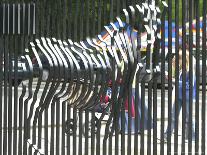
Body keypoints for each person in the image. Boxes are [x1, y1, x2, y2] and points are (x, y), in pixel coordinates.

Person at [164, 46, 196, 141]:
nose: (177, 62)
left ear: (184, 60)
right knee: (173, 116)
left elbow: (188, 85)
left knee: (187, 118)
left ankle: (191, 136)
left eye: (178, 60)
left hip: (187, 97)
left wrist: (174, 80)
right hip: (179, 96)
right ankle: (167, 136)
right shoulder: (181, 71)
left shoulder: (190, 71)